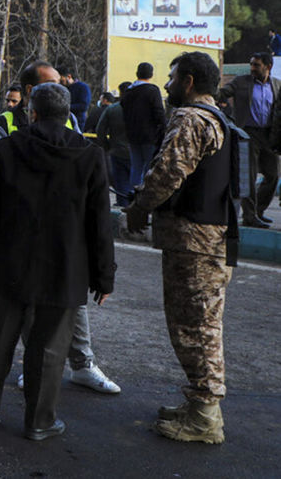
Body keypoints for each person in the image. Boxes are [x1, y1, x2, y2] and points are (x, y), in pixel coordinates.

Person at [0, 83, 115, 441]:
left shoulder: (7, 149)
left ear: (32, 112)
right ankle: (39, 421)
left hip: (11, 263)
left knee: (0, 337)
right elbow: (99, 223)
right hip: (65, 270)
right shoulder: (90, 155)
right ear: (68, 116)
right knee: (50, 348)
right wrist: (104, 277)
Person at [125, 52, 234, 444]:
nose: (168, 84)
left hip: (195, 242)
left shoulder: (190, 118)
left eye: (172, 78)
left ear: (188, 82)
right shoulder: (218, 117)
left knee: (196, 327)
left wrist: (139, 207)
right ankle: (200, 406)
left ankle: (205, 417)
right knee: (199, 323)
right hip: (209, 239)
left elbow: (169, 172)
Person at [215, 51, 281, 227]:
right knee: (249, 177)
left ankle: (259, 211)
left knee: (273, 175)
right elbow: (222, 93)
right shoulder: (240, 82)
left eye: (256, 65)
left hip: (269, 135)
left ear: (268, 66)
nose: (252, 68)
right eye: (251, 64)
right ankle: (250, 216)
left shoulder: (277, 85)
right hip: (247, 134)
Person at [122, 62, 167, 194]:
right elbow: (159, 112)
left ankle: (133, 194)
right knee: (149, 167)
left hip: (132, 135)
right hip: (150, 136)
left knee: (136, 167)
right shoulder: (152, 90)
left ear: (137, 73)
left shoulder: (128, 91)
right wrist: (164, 129)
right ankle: (146, 195)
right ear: (151, 75)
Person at [96, 85, 132, 206]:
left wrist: (107, 146)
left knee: (121, 183)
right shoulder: (141, 109)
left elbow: (100, 130)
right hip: (138, 153)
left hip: (117, 151)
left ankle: (122, 206)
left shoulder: (112, 109)